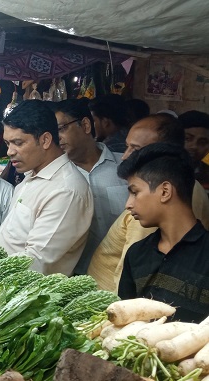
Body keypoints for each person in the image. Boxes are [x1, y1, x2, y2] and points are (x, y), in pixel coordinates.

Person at [87, 114, 209, 292]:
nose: (124, 156)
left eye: (135, 149)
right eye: (126, 147)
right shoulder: (185, 188)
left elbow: (139, 279)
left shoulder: (157, 210)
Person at [0, 100, 93, 276]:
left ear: (45, 140)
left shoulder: (66, 190)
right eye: (8, 144)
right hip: (2, 279)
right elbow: (12, 242)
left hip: (22, 292)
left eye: (18, 142)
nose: (10, 152)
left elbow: (36, 262)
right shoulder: (30, 177)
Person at [117, 143, 209, 323]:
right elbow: (123, 321)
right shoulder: (136, 254)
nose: (128, 204)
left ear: (165, 191)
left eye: (135, 192)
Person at [52, 99, 127, 275]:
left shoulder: (125, 166)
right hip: (77, 278)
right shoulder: (55, 179)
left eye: (61, 129)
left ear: (85, 125)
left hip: (124, 273)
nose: (57, 139)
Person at [179, 110, 209, 188]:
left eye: (202, 142)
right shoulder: (160, 171)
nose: (194, 146)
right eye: (187, 139)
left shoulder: (206, 174)